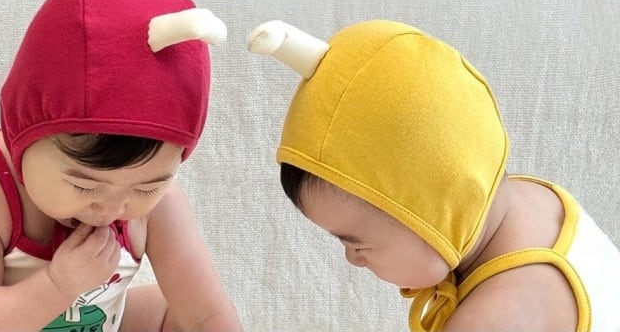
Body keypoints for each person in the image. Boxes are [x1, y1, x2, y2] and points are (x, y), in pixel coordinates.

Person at [248, 19, 620, 332]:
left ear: (431, 219)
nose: (353, 260)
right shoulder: (533, 199)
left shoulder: (499, 316)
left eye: (357, 244)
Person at [0, 0, 243, 332]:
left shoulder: (162, 203)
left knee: (179, 312)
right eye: (85, 186)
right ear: (20, 135)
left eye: (146, 188)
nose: (110, 210)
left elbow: (206, 314)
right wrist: (58, 286)